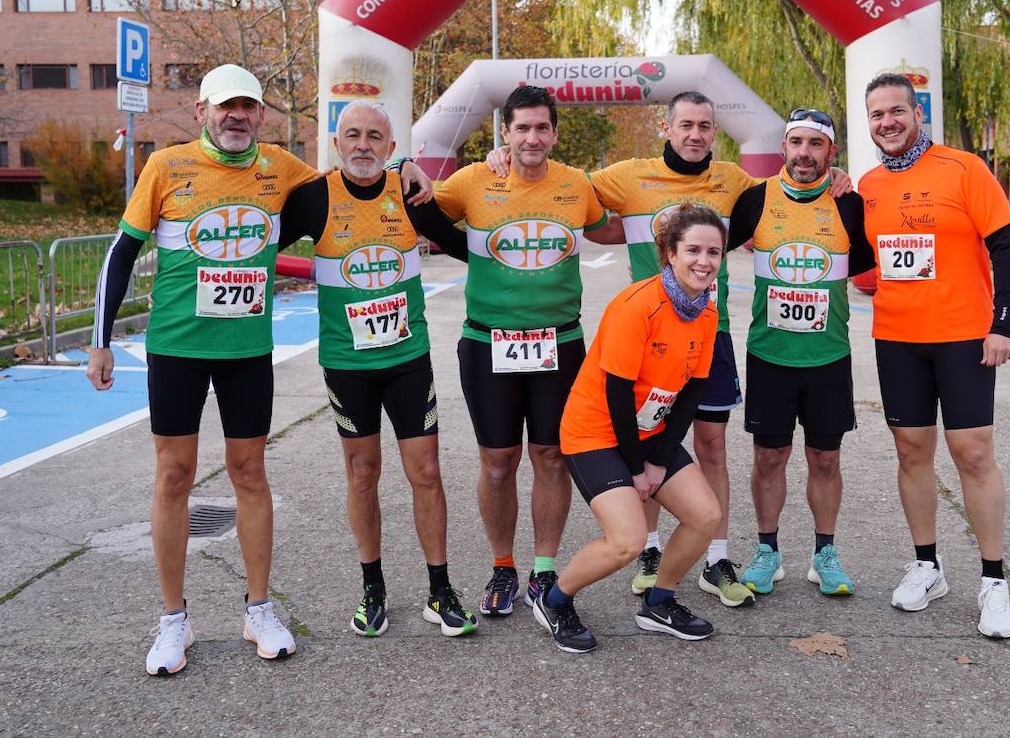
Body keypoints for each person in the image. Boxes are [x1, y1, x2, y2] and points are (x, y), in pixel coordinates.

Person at [488, 91, 850, 608]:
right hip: (648, 336)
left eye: (706, 125)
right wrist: (503, 156)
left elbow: (794, 184)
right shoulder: (626, 175)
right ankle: (651, 550)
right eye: (686, 124)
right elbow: (560, 184)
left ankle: (717, 556)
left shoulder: (735, 182)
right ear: (667, 125)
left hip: (710, 331)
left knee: (710, 448)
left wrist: (839, 178)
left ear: (715, 131)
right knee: (647, 432)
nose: (696, 134)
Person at [87, 64, 319, 675]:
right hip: (177, 347)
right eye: (225, 106)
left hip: (246, 351)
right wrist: (100, 339)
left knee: (250, 472)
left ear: (262, 115)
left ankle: (259, 609)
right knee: (173, 476)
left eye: (248, 106)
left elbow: (349, 186)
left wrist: (410, 174)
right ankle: (172, 620)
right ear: (201, 112)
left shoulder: (282, 167)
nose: (237, 116)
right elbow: (122, 251)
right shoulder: (167, 167)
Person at [406, 85, 608, 619]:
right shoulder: (477, 180)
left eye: (542, 127)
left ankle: (544, 570)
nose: (533, 137)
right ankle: (503, 565)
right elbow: (421, 202)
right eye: (522, 128)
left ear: (555, 133)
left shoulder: (576, 186)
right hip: (488, 342)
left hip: (559, 343)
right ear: (506, 134)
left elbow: (613, 222)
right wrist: (404, 162)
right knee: (498, 462)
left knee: (551, 457)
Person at [278, 100, 477, 638]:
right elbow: (255, 244)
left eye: (374, 137)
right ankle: (373, 587)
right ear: (336, 144)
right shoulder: (315, 197)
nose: (363, 145)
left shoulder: (408, 194)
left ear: (391, 149)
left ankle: (440, 588)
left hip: (408, 361)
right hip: (347, 365)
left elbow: (466, 246)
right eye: (352, 135)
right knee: (363, 474)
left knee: (427, 473)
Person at [855, 72, 1010, 639]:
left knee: (972, 453)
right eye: (877, 115)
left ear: (916, 113)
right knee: (911, 451)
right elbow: (868, 263)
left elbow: (1005, 247)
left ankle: (994, 581)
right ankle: (927, 566)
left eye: (897, 111)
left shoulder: (964, 168)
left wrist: (1004, 324)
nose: (888, 123)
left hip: (964, 336)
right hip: (898, 337)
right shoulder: (869, 184)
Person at [534, 203, 725, 653]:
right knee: (628, 540)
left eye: (713, 252)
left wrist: (659, 459)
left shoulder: (707, 311)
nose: (704, 261)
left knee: (706, 517)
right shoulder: (636, 306)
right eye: (693, 250)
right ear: (670, 254)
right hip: (595, 431)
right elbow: (618, 395)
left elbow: (691, 393)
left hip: (647, 433)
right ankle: (554, 599)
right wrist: (639, 468)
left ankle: (660, 602)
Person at [724, 109, 874, 600]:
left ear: (832, 153)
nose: (804, 153)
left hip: (828, 356)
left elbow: (873, 271)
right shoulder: (754, 200)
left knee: (825, 459)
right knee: (770, 456)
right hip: (770, 355)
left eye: (816, 144)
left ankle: (824, 554)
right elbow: (699, 249)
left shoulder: (850, 205)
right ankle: (767, 551)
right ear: (783, 148)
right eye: (796, 143)